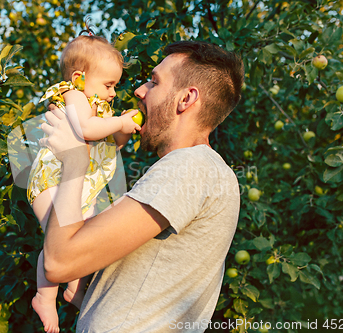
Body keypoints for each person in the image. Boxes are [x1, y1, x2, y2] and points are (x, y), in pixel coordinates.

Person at [40, 40, 244, 332]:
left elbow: (59, 262)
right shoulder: (203, 172)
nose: (139, 90)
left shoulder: (189, 166)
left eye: (154, 82)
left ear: (186, 99)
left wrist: (74, 162)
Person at [27, 31, 141, 333]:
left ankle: (74, 288)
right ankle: (44, 296)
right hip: (52, 179)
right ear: (79, 76)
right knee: (58, 231)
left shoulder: (100, 107)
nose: (114, 92)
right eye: (109, 84)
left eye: (115, 85)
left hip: (81, 183)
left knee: (81, 235)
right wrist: (118, 122)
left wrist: (123, 132)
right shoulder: (74, 96)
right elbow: (88, 130)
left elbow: (106, 147)